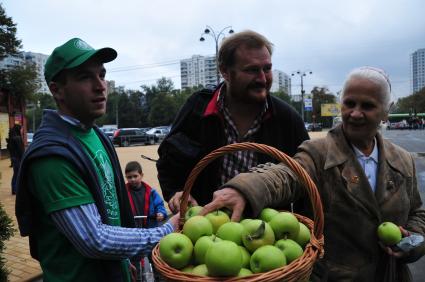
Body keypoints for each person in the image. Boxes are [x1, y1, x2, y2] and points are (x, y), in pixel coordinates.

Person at [201, 66, 425, 281]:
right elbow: (286, 176)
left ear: (386, 112)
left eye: (367, 106)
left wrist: (412, 243)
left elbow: (418, 214)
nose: (355, 113)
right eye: (349, 103)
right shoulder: (317, 153)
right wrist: (245, 189)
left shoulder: (403, 160)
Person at [15, 38, 179, 282]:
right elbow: (95, 239)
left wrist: (122, 261)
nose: (100, 85)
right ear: (56, 89)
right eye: (84, 77)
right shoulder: (51, 157)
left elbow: (109, 209)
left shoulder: (96, 135)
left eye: (101, 75)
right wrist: (167, 231)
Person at [157, 30, 309, 217]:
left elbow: (306, 177)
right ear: (225, 72)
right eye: (252, 70)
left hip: (270, 235)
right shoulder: (197, 107)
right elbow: (168, 159)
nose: (262, 78)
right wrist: (175, 192)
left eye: (267, 69)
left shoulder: (287, 118)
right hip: (205, 228)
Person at [124, 161, 167, 228]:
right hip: (131, 229)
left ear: (141, 175)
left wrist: (161, 213)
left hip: (149, 229)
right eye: (129, 177)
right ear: (126, 177)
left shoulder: (151, 192)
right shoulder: (123, 193)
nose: (132, 179)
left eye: (135, 176)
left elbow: (159, 205)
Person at [8, 124, 24, 194]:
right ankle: (17, 189)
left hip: (14, 158)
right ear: (18, 129)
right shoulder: (18, 138)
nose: (22, 130)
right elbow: (21, 151)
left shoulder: (12, 138)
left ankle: (14, 189)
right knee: (18, 175)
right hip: (18, 159)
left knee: (15, 174)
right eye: (21, 129)